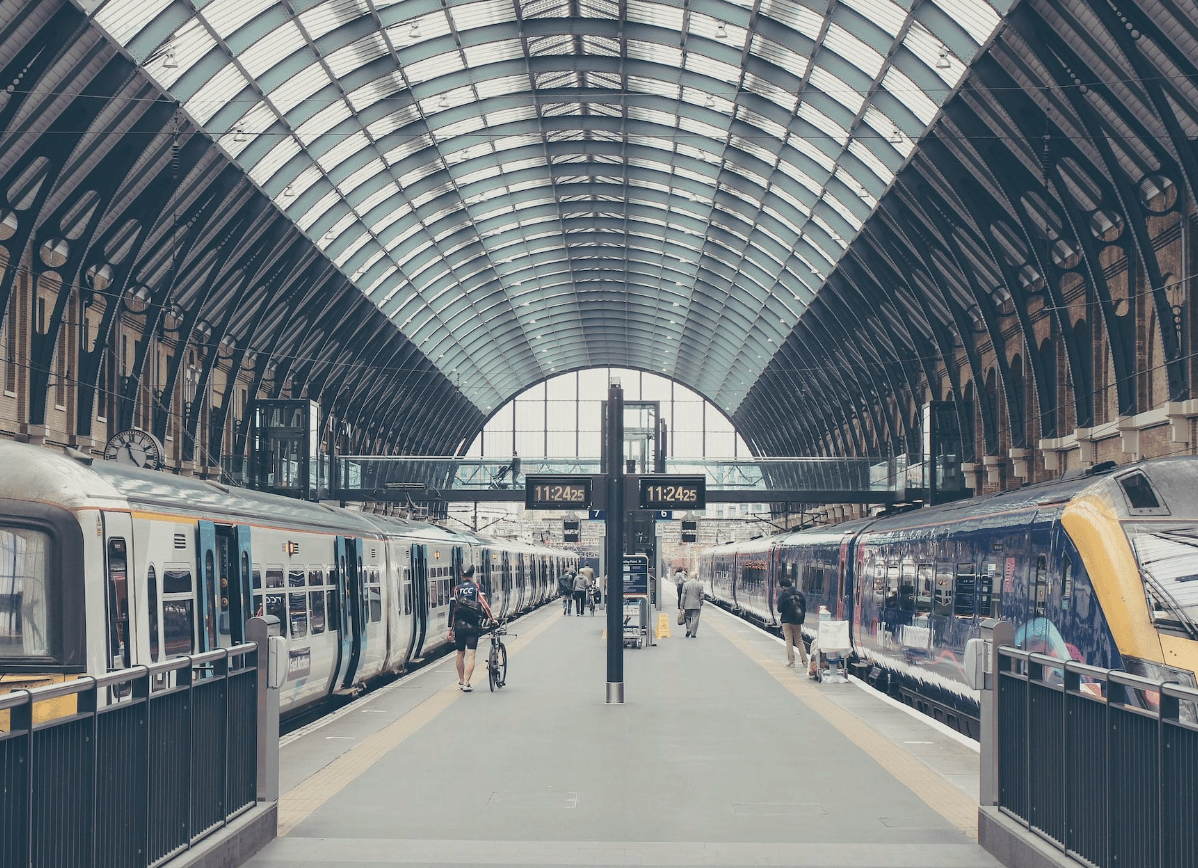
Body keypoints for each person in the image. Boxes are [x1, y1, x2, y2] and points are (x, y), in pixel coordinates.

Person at [447, 565, 493, 691]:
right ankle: (467, 683)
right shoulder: (477, 587)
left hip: (459, 626)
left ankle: (461, 681)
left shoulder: (456, 589)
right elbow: (484, 604)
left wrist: (450, 629)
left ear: (462, 575)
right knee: (471, 655)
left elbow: (452, 610)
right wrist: (492, 619)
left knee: (460, 653)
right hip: (473, 625)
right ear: (472, 575)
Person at [775, 576, 808, 669]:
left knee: (789, 641)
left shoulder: (784, 595)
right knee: (799, 641)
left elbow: (779, 609)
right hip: (797, 621)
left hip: (786, 621)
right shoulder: (800, 594)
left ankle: (791, 662)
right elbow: (804, 608)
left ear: (783, 587)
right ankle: (805, 662)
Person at [680, 572, 705, 638]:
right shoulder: (700, 585)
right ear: (696, 577)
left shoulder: (686, 584)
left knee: (688, 617)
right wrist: (701, 602)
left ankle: (688, 629)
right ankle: (693, 633)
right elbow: (702, 595)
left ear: (690, 577)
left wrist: (681, 605)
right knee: (695, 619)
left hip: (687, 604)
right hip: (696, 604)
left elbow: (683, 596)